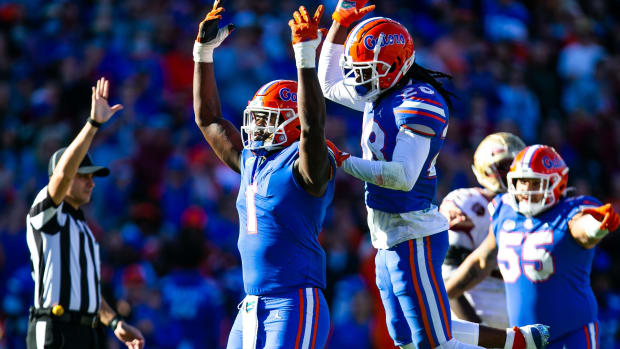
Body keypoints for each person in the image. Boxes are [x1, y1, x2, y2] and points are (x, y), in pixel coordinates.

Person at [317, 1, 549, 348]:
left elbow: (402, 177)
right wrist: (338, 24)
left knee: (433, 341)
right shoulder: (382, 89)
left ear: (394, 67)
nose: (359, 78)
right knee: (407, 338)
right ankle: (517, 342)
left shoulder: (417, 101)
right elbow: (328, 84)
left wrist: (343, 160)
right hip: (386, 232)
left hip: (413, 232)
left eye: (367, 69)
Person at [192, 2, 336, 348]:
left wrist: (304, 56)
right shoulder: (253, 161)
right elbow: (209, 119)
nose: (256, 126)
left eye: (266, 119)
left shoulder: (306, 165)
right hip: (251, 304)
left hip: (293, 301)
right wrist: (202, 54)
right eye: (255, 118)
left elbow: (313, 127)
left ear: (293, 121)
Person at [445, 145, 620, 348]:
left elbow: (582, 229)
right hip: (523, 340)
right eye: (521, 182)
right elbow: (481, 261)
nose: (526, 189)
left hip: (570, 336)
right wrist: (445, 292)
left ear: (557, 183)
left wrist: (595, 227)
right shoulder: (504, 209)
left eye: (535, 182)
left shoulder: (571, 210)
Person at [25, 78, 145, 349]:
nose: (91, 182)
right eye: (83, 176)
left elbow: (87, 293)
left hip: (87, 333)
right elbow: (62, 175)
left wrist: (114, 322)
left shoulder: (83, 229)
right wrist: (92, 126)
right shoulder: (45, 214)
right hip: (54, 330)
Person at [440, 132, 526, 328]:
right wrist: (483, 339)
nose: (514, 171)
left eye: (517, 164)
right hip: (474, 321)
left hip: (520, 326)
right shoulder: (468, 205)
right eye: (505, 166)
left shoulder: (532, 208)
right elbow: (447, 282)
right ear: (486, 170)